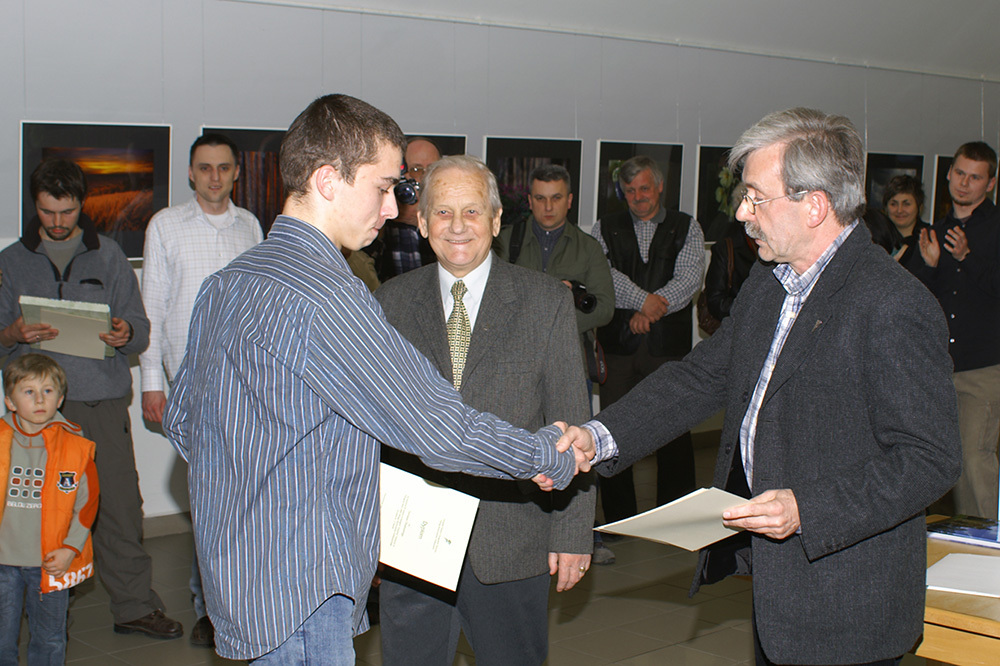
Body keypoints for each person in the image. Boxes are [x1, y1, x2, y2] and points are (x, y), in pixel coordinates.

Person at [161, 94, 582, 664]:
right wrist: (545, 455)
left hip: (243, 582)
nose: (391, 208)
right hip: (306, 587)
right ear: (328, 180)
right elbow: (437, 428)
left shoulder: (229, 281)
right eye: (383, 187)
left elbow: (185, 423)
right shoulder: (327, 296)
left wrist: (263, 494)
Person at [561, 108, 961, 666]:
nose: (742, 212)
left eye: (755, 197)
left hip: (847, 597)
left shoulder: (892, 303)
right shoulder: (771, 281)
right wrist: (599, 435)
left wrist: (806, 508)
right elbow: (703, 376)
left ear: (814, 206)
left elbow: (929, 459)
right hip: (779, 590)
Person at [376, 155, 595, 665]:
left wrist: (572, 532)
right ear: (422, 221)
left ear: (496, 221)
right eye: (443, 212)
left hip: (512, 538)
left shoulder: (545, 301)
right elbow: (370, 434)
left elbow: (573, 423)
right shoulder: (389, 303)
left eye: (472, 211)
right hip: (413, 543)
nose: (457, 226)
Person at [0, 159, 182, 639]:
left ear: (82, 204)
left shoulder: (110, 257)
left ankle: (134, 607)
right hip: (34, 414)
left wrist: (125, 333)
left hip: (100, 404)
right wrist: (13, 333)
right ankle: (35, 610)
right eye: (47, 212)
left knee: (119, 507)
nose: (58, 222)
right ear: (34, 205)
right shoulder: (11, 261)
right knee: (33, 513)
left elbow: (140, 329)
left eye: (67, 211)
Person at [139, 132, 263, 647]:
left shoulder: (250, 226)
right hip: (191, 386)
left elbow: (258, 306)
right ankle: (208, 609)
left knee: (244, 498)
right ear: (191, 173)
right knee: (209, 498)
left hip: (246, 383)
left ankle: (241, 599)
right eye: (205, 167)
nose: (215, 176)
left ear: (236, 173)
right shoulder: (165, 226)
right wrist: (151, 383)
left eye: (224, 167)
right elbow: (152, 308)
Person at [497, 163, 616, 564]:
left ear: (569, 200)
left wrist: (556, 320)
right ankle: (521, 527)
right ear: (530, 201)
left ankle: (578, 530)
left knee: (574, 444)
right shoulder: (508, 240)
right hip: (513, 362)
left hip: (569, 360)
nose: (548, 207)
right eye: (540, 198)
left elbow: (605, 307)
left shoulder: (587, 248)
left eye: (556, 198)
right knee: (519, 441)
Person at [590, 155, 704, 523]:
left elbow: (689, 278)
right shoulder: (604, 228)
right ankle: (619, 519)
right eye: (629, 191)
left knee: (674, 429)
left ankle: (676, 517)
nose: (638, 196)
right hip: (618, 349)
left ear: (659, 187)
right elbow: (602, 274)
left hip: (666, 349)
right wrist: (644, 301)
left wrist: (652, 309)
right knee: (614, 432)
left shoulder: (687, 227)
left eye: (644, 188)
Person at [916, 141, 1000, 519]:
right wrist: (931, 267)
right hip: (939, 366)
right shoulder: (936, 230)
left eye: (975, 177)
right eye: (960, 174)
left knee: (973, 458)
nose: (965, 183)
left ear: (991, 183)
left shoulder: (995, 228)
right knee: (933, 459)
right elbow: (918, 300)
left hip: (984, 366)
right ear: (949, 174)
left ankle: (984, 546)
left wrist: (967, 258)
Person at [0, 354, 99, 665]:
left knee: (49, 637)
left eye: (48, 390)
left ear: (61, 398)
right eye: (28, 391)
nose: (40, 399)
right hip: (2, 559)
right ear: (10, 401)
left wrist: (71, 548)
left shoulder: (77, 446)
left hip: (51, 562)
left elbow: (87, 504)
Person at [376, 137, 440, 281]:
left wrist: (426, 223)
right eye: (416, 170)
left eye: (432, 170)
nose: (424, 178)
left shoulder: (449, 217)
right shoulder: (384, 211)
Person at [882, 174, 928, 273]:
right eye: (893, 204)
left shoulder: (929, 239)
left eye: (906, 204)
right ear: (886, 207)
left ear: (919, 207)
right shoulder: (877, 239)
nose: (899, 210)